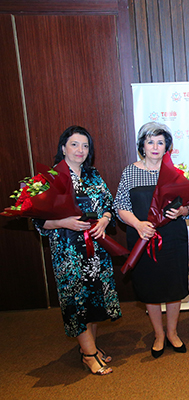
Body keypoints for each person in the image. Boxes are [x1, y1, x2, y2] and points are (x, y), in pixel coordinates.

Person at [33, 126, 121, 375]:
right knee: (76, 299)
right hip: (68, 252)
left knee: (94, 298)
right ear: (63, 148)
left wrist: (104, 220)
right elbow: (38, 220)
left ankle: (89, 347)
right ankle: (90, 355)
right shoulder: (48, 179)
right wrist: (64, 222)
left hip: (96, 249)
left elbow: (109, 205)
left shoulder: (93, 175)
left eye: (85, 146)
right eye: (74, 144)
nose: (80, 150)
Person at [114, 122, 189, 358]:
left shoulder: (176, 172)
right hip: (143, 237)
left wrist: (182, 211)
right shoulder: (130, 172)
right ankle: (159, 335)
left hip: (172, 238)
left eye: (160, 142)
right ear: (142, 146)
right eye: (150, 142)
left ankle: (172, 332)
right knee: (150, 287)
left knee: (173, 286)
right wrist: (138, 224)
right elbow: (120, 206)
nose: (156, 147)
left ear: (167, 146)